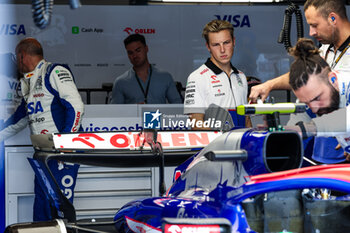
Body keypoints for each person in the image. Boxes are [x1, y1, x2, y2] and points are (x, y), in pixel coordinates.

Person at [0, 38, 84, 221]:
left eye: (17, 58)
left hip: (62, 154)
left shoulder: (54, 71)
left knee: (60, 209)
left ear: (22, 56)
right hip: (43, 154)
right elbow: (20, 119)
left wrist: (65, 145)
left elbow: (76, 106)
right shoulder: (28, 82)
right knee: (41, 206)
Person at [249, 0, 350, 102]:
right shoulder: (326, 49)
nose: (311, 33)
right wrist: (269, 85)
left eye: (314, 25)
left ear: (333, 18)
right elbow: (304, 75)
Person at [284, 38, 350, 163]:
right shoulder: (316, 97)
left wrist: (308, 129)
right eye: (308, 103)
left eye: (317, 98)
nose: (314, 108)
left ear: (333, 79)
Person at [183, 19, 250, 130]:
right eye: (216, 45)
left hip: (239, 146)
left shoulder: (241, 76)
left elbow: (246, 119)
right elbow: (196, 123)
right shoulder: (197, 77)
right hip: (215, 146)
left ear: (234, 41)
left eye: (226, 43)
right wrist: (221, 143)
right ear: (208, 47)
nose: (222, 50)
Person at [110, 34, 182, 104]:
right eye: (130, 53)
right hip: (134, 116)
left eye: (138, 50)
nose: (135, 56)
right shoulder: (120, 82)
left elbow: (177, 105)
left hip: (159, 116)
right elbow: (115, 112)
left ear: (146, 49)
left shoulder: (165, 77)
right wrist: (133, 109)